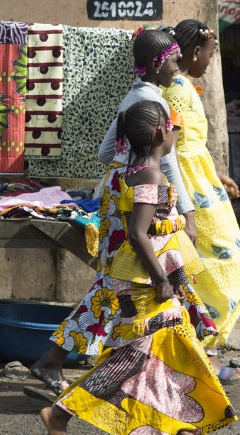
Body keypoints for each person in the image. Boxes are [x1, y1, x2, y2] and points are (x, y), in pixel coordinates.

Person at [23, 100, 236, 435]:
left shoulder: (120, 175)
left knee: (176, 348)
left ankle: (183, 429)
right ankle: (58, 414)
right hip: (143, 284)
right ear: (159, 132)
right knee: (134, 355)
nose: (174, 132)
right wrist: (161, 279)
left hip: (136, 279)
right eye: (172, 126)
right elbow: (138, 233)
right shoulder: (151, 177)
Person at [29, 28, 196, 394]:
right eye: (173, 60)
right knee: (126, 289)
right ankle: (107, 372)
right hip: (137, 206)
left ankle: (86, 366)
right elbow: (169, 165)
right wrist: (187, 210)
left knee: (113, 289)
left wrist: (128, 168)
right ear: (156, 63)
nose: (177, 67)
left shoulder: (131, 97)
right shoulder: (157, 105)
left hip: (116, 202)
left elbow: (107, 154)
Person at [165, 19, 240, 383]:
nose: (211, 62)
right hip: (190, 193)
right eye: (210, 54)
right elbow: (169, 150)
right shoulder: (179, 92)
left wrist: (216, 174)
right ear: (194, 51)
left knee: (218, 268)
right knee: (220, 269)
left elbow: (192, 144)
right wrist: (182, 201)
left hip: (202, 183)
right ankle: (205, 353)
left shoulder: (187, 87)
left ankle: (205, 351)